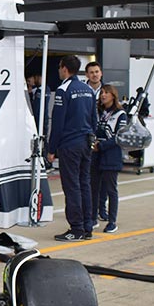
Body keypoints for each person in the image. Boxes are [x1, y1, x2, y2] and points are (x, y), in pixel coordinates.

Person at [48, 55, 96, 241]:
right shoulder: (88, 89)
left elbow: (58, 124)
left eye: (60, 67)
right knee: (85, 184)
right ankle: (87, 226)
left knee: (72, 186)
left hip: (70, 145)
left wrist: (51, 149)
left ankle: (76, 228)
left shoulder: (63, 90)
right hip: (86, 143)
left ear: (65, 69)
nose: (59, 71)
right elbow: (94, 119)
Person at [93, 85, 129, 234]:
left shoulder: (120, 114)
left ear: (113, 96)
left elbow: (119, 136)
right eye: (102, 92)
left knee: (110, 189)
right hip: (96, 155)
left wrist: (101, 146)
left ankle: (112, 221)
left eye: (106, 93)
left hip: (111, 155)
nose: (103, 95)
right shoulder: (98, 112)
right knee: (94, 188)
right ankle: (92, 216)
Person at [83, 62, 103, 231]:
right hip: (86, 138)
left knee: (103, 178)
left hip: (102, 140)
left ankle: (101, 209)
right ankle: (90, 210)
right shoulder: (82, 90)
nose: (95, 75)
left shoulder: (107, 91)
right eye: (92, 72)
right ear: (87, 75)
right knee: (89, 177)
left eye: (97, 72)